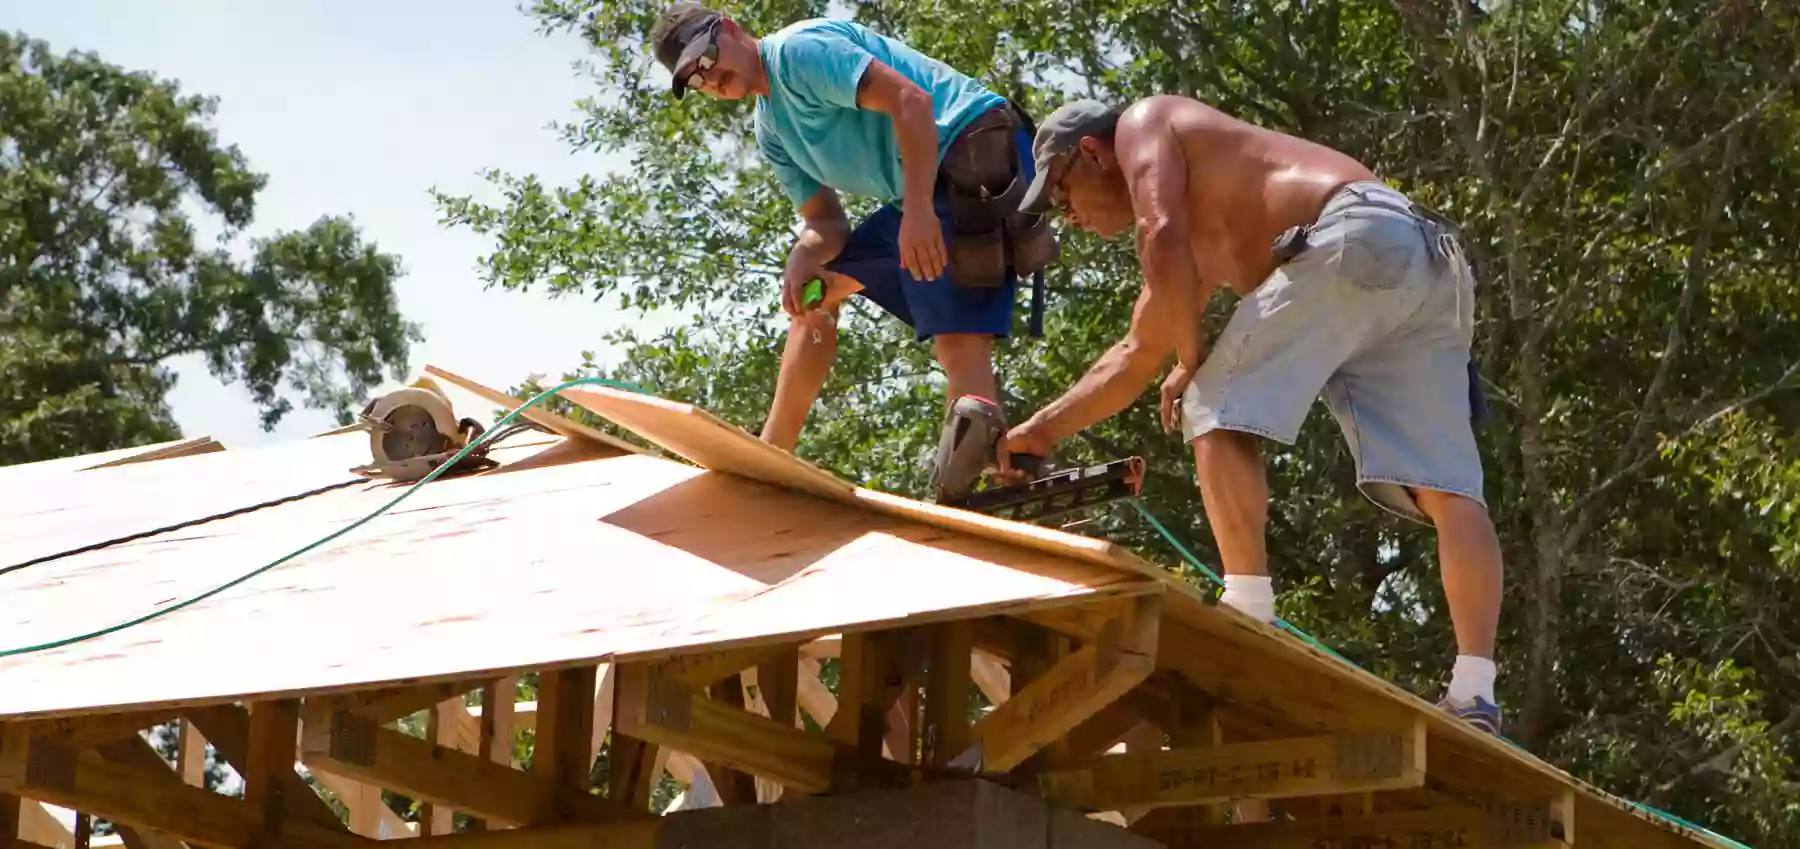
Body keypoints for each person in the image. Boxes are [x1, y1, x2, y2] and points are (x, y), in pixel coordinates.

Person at [994, 95, 1505, 734]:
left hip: (1349, 236)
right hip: (1424, 261)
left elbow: (1160, 236)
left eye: (1064, 197)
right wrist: (1038, 431)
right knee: (1447, 488)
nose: (1068, 218)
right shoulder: (1202, 228)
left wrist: (1191, 360)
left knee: (1210, 398)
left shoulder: (1143, 123)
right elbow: (1133, 354)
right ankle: (1475, 692)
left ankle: (1246, 614)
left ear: (1092, 153)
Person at [648, 3, 1057, 457]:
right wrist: (803, 255)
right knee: (814, 293)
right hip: (923, 191)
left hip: (974, 149)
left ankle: (970, 479)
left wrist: (919, 211)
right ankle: (770, 455)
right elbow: (825, 223)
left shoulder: (798, 53)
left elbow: (911, 101)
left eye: (707, 59)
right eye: (695, 80)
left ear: (730, 28)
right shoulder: (771, 129)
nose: (710, 78)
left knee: (958, 339)